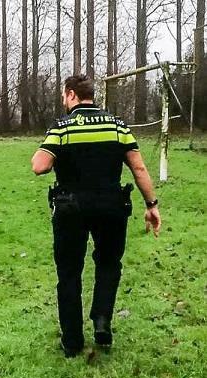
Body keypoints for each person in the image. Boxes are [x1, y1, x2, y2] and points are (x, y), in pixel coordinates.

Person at [30, 75, 162, 358]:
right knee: (109, 263)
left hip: (70, 209)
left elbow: (39, 166)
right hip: (111, 207)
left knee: (69, 273)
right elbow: (138, 168)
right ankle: (102, 320)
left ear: (71, 95)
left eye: (64, 97)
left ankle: (73, 341)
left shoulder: (62, 127)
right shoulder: (118, 126)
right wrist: (151, 204)